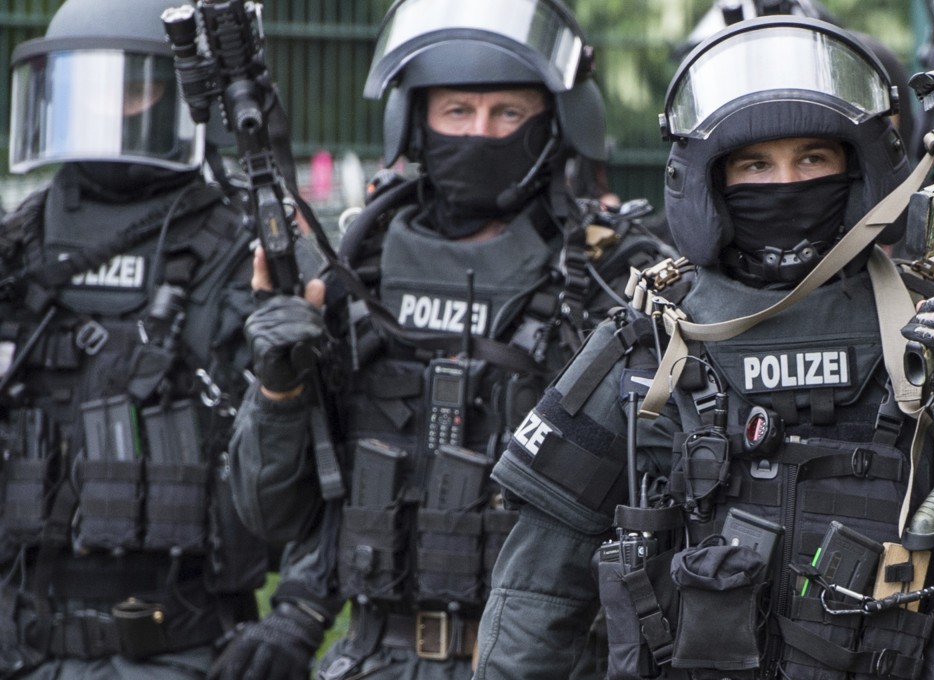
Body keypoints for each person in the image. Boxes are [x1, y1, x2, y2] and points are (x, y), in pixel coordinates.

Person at [473, 15, 934, 680]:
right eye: (755, 165)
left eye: (811, 159)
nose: (785, 183)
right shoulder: (647, 347)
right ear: (712, 185)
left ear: (856, 172)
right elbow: (536, 597)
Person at [219, 1, 675, 679]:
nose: (481, 133)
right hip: (375, 657)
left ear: (556, 121)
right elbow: (270, 513)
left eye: (507, 114)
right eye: (457, 111)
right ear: (416, 121)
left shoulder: (617, 278)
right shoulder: (353, 268)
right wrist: (277, 387)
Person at [0, 0, 270, 677]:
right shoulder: (18, 244)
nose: (107, 110)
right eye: (87, 88)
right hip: (24, 639)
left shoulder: (245, 248)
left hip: (179, 642)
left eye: (134, 86)